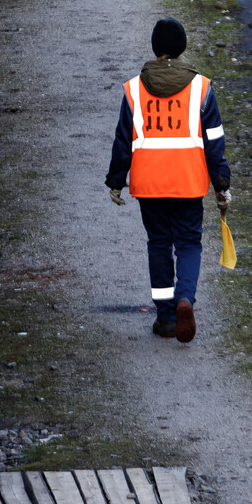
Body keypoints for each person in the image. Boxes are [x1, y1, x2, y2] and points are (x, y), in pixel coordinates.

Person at [105, 18, 230, 343]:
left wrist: (116, 181)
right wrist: (221, 184)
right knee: (188, 243)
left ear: (154, 48)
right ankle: (185, 298)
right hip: (188, 182)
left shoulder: (135, 90)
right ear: (182, 47)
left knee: (159, 244)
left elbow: (123, 140)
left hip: (149, 184)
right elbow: (214, 142)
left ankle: (165, 318)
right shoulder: (201, 88)